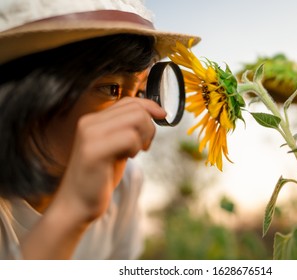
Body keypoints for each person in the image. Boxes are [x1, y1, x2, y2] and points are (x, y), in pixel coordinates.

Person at [0, 0, 200, 259]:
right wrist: (73, 211)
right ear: (31, 92)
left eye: (140, 93)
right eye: (111, 88)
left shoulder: (124, 185)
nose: (136, 117)